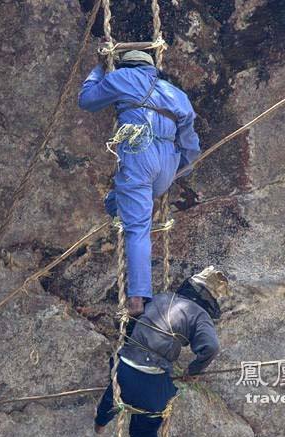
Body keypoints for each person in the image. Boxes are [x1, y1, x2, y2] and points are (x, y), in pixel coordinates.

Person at [79, 50, 200, 316]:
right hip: (167, 164)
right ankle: (115, 207)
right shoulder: (175, 93)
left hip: (139, 154)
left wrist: (99, 70)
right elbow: (191, 144)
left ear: (126, 66)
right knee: (123, 204)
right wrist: (182, 169)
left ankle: (137, 299)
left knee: (137, 229)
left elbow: (87, 100)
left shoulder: (123, 77)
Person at [93, 266, 227, 437]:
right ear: (211, 299)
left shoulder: (162, 298)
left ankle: (100, 424)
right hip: (152, 383)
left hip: (123, 369)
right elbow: (211, 347)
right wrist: (192, 372)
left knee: (113, 396)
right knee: (143, 432)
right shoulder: (201, 316)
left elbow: (126, 321)